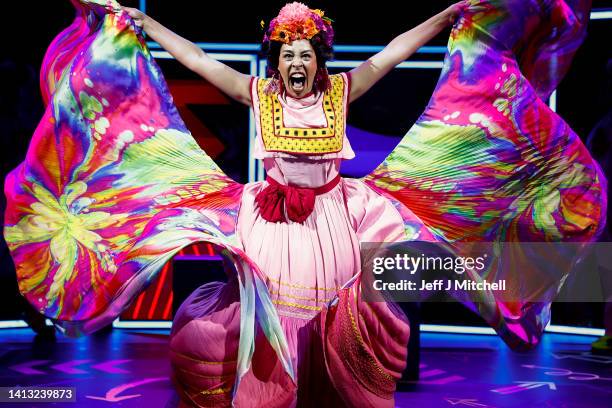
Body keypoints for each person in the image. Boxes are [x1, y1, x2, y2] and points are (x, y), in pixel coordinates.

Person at [3, 0, 605, 407]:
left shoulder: (342, 91)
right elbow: (197, 61)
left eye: (306, 55)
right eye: (287, 54)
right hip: (269, 224)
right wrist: (145, 23)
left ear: (319, 59)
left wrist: (444, 16)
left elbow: (394, 51)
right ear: (277, 60)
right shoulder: (258, 93)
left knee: (416, 260)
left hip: (337, 218)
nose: (296, 63)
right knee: (268, 320)